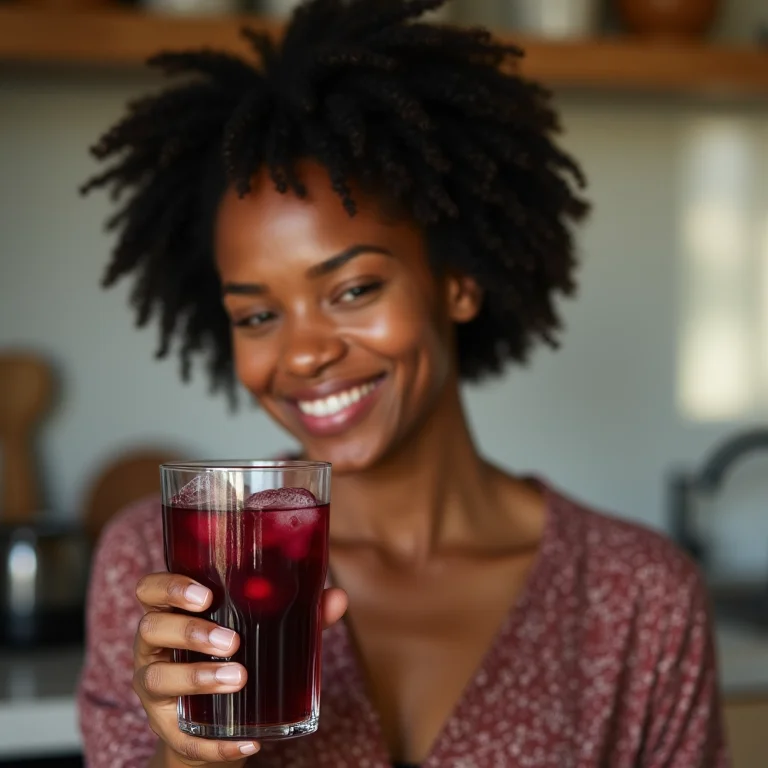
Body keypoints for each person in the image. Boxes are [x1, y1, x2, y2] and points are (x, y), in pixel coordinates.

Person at [77, 1, 729, 766]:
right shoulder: (165, 567)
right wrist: (187, 759)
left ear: (458, 282)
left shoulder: (640, 597)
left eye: (354, 289)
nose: (304, 354)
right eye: (256, 316)